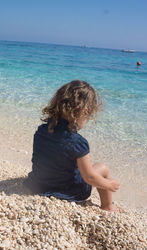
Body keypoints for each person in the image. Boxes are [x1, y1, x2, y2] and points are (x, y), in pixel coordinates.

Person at [24, 80, 120, 211]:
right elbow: (89, 177)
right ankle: (108, 206)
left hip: (37, 185)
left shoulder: (42, 130)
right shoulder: (77, 142)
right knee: (102, 168)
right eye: (88, 117)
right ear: (83, 111)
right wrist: (109, 184)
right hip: (69, 191)